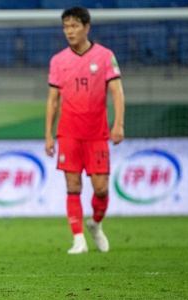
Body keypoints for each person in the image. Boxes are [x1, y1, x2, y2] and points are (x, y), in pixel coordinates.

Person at [44, 6, 125, 254]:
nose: (69, 31)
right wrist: (48, 134)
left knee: (101, 188)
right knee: (73, 186)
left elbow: (117, 92)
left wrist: (118, 123)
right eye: (66, 26)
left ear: (86, 28)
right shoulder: (58, 60)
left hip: (97, 133)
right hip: (68, 132)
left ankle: (95, 224)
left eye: (74, 26)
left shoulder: (104, 56)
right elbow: (53, 100)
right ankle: (78, 239)